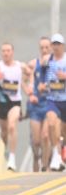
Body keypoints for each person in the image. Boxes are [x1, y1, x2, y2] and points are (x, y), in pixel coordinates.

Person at [0, 43, 32, 171]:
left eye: (8, 50)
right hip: (2, 103)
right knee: (4, 133)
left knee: (12, 126)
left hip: (15, 103)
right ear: (1, 53)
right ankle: (7, 148)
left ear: (12, 52)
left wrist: (28, 84)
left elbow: (31, 73)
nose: (6, 53)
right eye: (3, 51)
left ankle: (12, 159)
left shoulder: (20, 66)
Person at [27, 37, 52, 172]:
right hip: (36, 107)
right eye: (42, 47)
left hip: (50, 104)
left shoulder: (57, 64)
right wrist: (30, 93)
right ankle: (36, 158)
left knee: (46, 136)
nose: (44, 50)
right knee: (36, 141)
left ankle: (45, 164)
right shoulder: (33, 64)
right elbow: (23, 80)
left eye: (47, 47)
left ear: (51, 48)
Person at [42, 33, 66, 171]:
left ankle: (62, 150)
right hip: (52, 99)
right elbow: (39, 74)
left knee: (64, 131)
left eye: (58, 44)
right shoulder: (47, 60)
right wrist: (41, 85)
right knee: (51, 122)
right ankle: (56, 155)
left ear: (63, 46)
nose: (56, 47)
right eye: (54, 44)